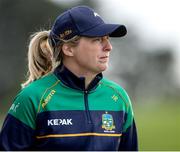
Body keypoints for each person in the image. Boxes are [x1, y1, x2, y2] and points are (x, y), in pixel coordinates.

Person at [0, 5, 138, 151]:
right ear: (68, 49)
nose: (108, 46)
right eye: (97, 39)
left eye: (107, 38)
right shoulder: (32, 98)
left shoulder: (119, 98)